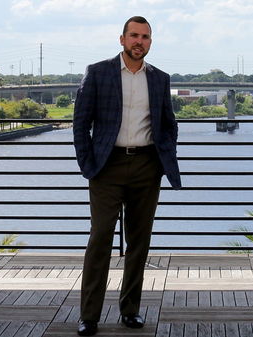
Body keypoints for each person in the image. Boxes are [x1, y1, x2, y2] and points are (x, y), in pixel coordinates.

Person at [72, 15, 181, 336]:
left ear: (150, 42)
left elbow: (168, 124)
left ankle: (130, 309)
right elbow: (81, 123)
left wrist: (163, 157)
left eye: (145, 37)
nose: (139, 42)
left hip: (148, 166)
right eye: (134, 36)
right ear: (122, 39)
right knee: (101, 236)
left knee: (139, 241)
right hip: (107, 166)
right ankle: (89, 315)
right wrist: (87, 163)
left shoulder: (160, 78)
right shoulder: (98, 73)